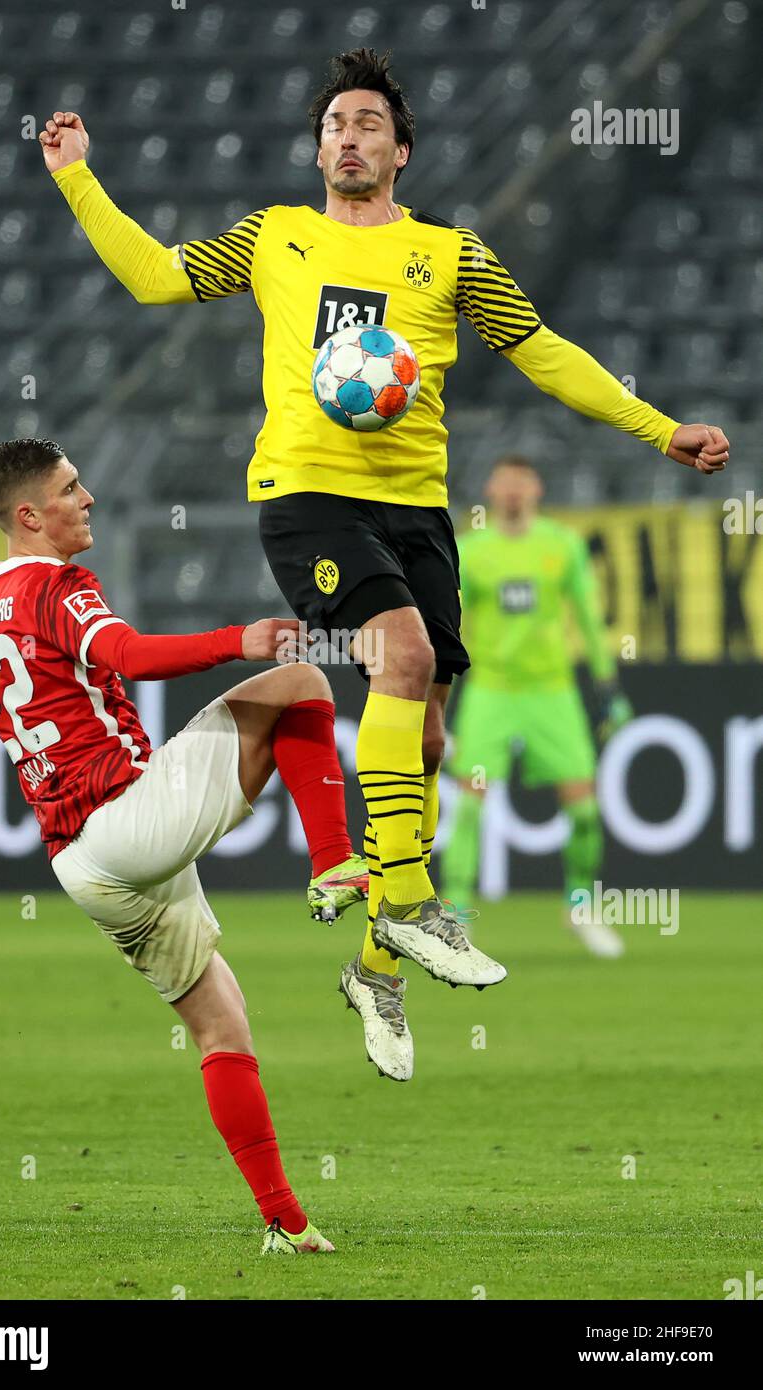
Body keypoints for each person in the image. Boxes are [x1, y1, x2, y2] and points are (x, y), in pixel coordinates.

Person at [39, 47, 728, 1082]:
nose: (347, 138)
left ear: (400, 151)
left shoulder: (450, 255)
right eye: (333, 125)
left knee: (430, 737)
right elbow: (155, 277)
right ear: (317, 148)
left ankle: (376, 969)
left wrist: (655, 425)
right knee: (400, 660)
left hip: (415, 515)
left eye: (366, 124)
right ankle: (406, 899)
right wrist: (76, 176)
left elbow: (539, 348)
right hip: (305, 498)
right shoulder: (278, 236)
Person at [0, 436, 377, 1254]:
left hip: (80, 863)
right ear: (28, 516)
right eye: (72, 488)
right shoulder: (53, 588)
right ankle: (334, 864)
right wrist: (238, 639)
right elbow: (130, 655)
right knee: (300, 684)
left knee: (222, 1025)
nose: (88, 499)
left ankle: (286, 1224)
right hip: (124, 821)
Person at [442, 456, 633, 956]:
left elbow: (589, 620)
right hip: (492, 691)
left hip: (552, 692)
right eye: (503, 482)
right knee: (469, 809)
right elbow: (451, 629)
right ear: (491, 488)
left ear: (536, 488)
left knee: (586, 810)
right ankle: (457, 917)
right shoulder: (470, 550)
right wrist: (438, 697)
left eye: (520, 482)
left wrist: (608, 689)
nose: (511, 491)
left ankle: (579, 906)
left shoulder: (562, 545)